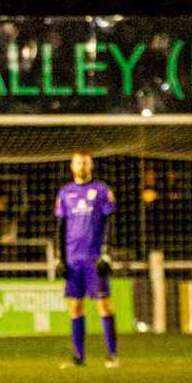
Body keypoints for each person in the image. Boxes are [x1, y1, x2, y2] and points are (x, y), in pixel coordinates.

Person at [55, 150, 119, 369]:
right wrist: (60, 258)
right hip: (73, 259)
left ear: (91, 166)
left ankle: (112, 354)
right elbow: (60, 228)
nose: (81, 165)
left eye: (85, 162)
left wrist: (106, 253)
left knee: (105, 306)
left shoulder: (101, 190)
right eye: (77, 162)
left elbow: (110, 223)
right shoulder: (65, 193)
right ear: (72, 166)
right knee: (75, 307)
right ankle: (79, 357)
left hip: (94, 258)